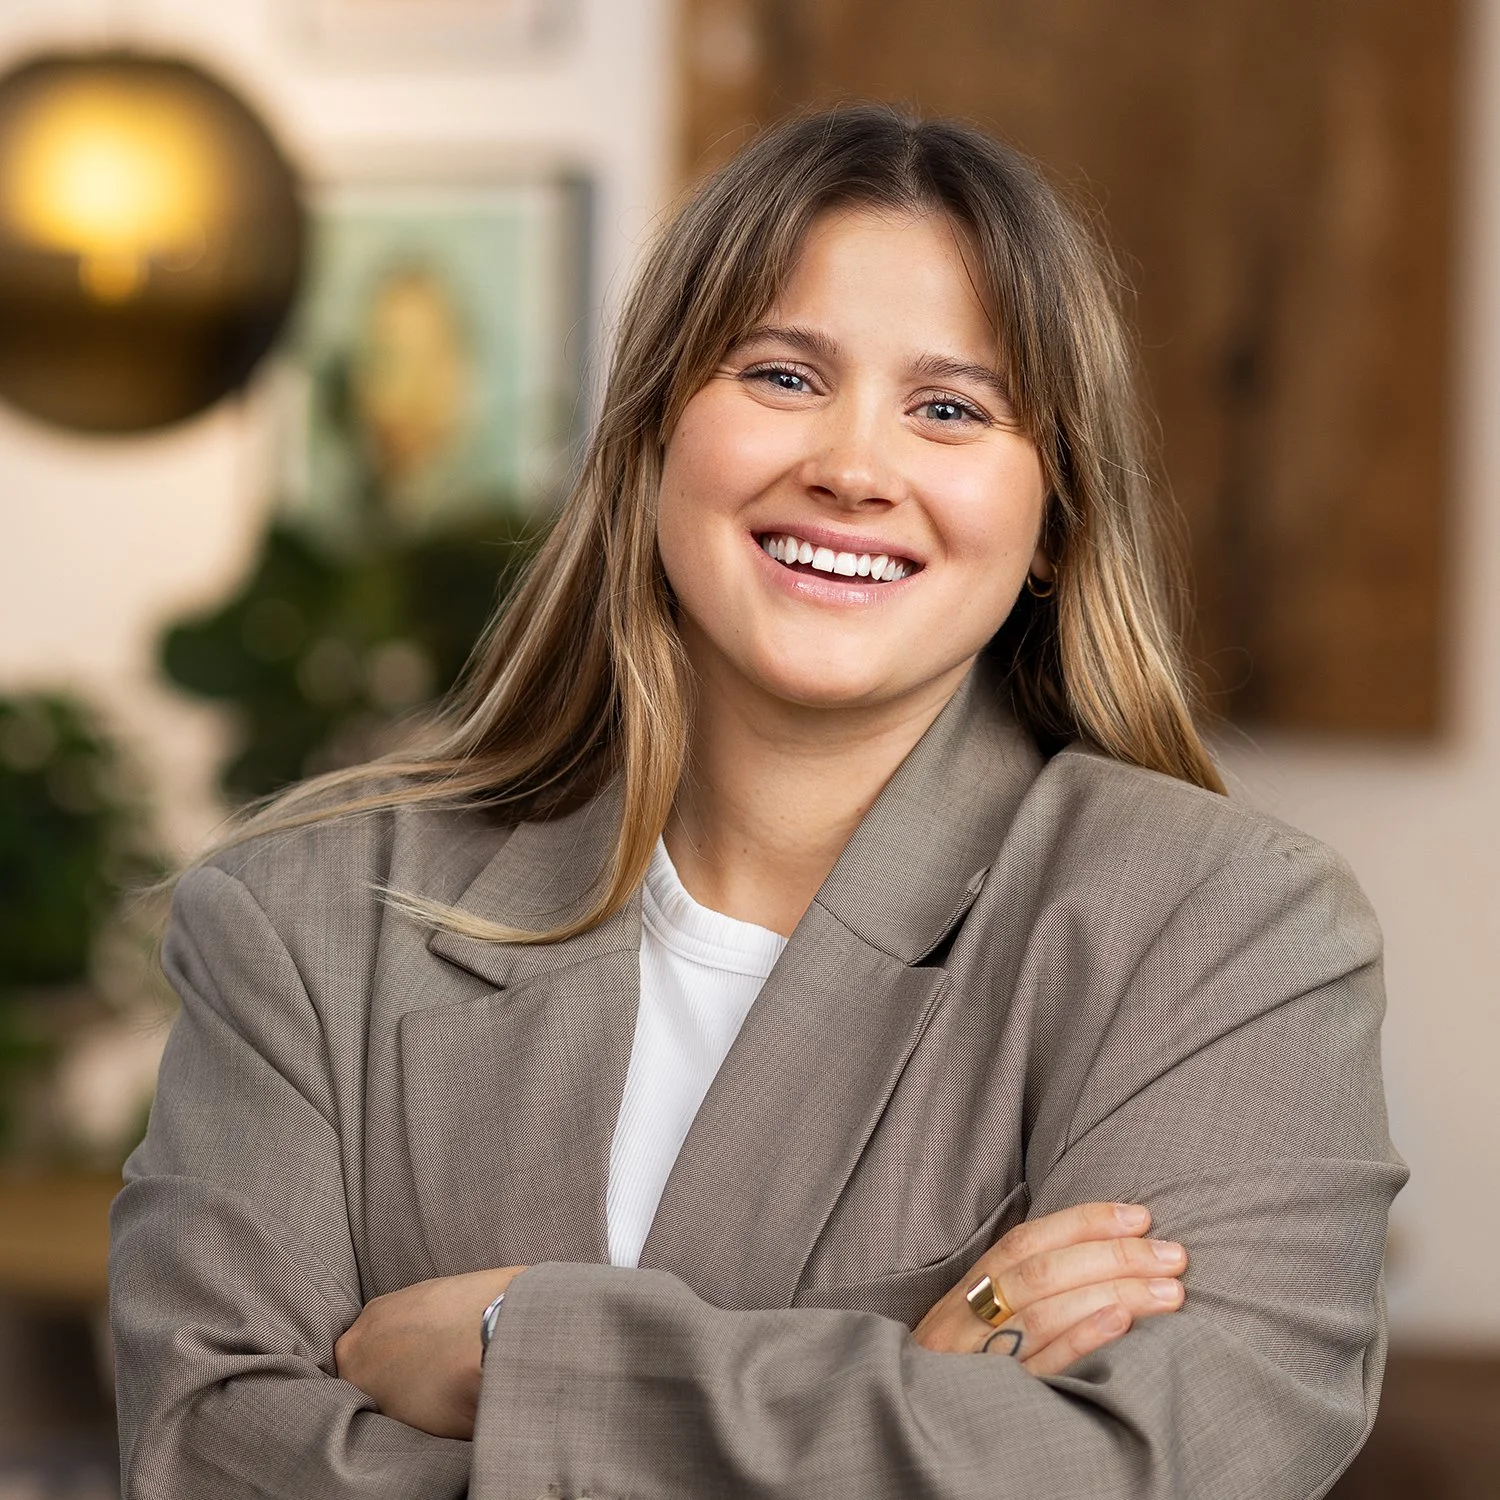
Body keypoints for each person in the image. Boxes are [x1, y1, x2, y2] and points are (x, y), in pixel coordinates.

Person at [110, 106, 1404, 1499]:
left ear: (1054, 517)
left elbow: (1152, 1467)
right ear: (655, 434)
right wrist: (912, 1386)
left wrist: (519, 1350)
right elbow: (205, 1451)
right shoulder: (307, 919)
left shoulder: (1224, 934)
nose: (853, 468)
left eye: (951, 409)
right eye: (783, 377)